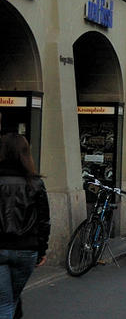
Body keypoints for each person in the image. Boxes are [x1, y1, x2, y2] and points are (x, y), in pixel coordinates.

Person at [0, 134, 49, 319]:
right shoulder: (35, 183)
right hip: (26, 249)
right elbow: (44, 220)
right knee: (11, 298)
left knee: (5, 301)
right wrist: (42, 249)